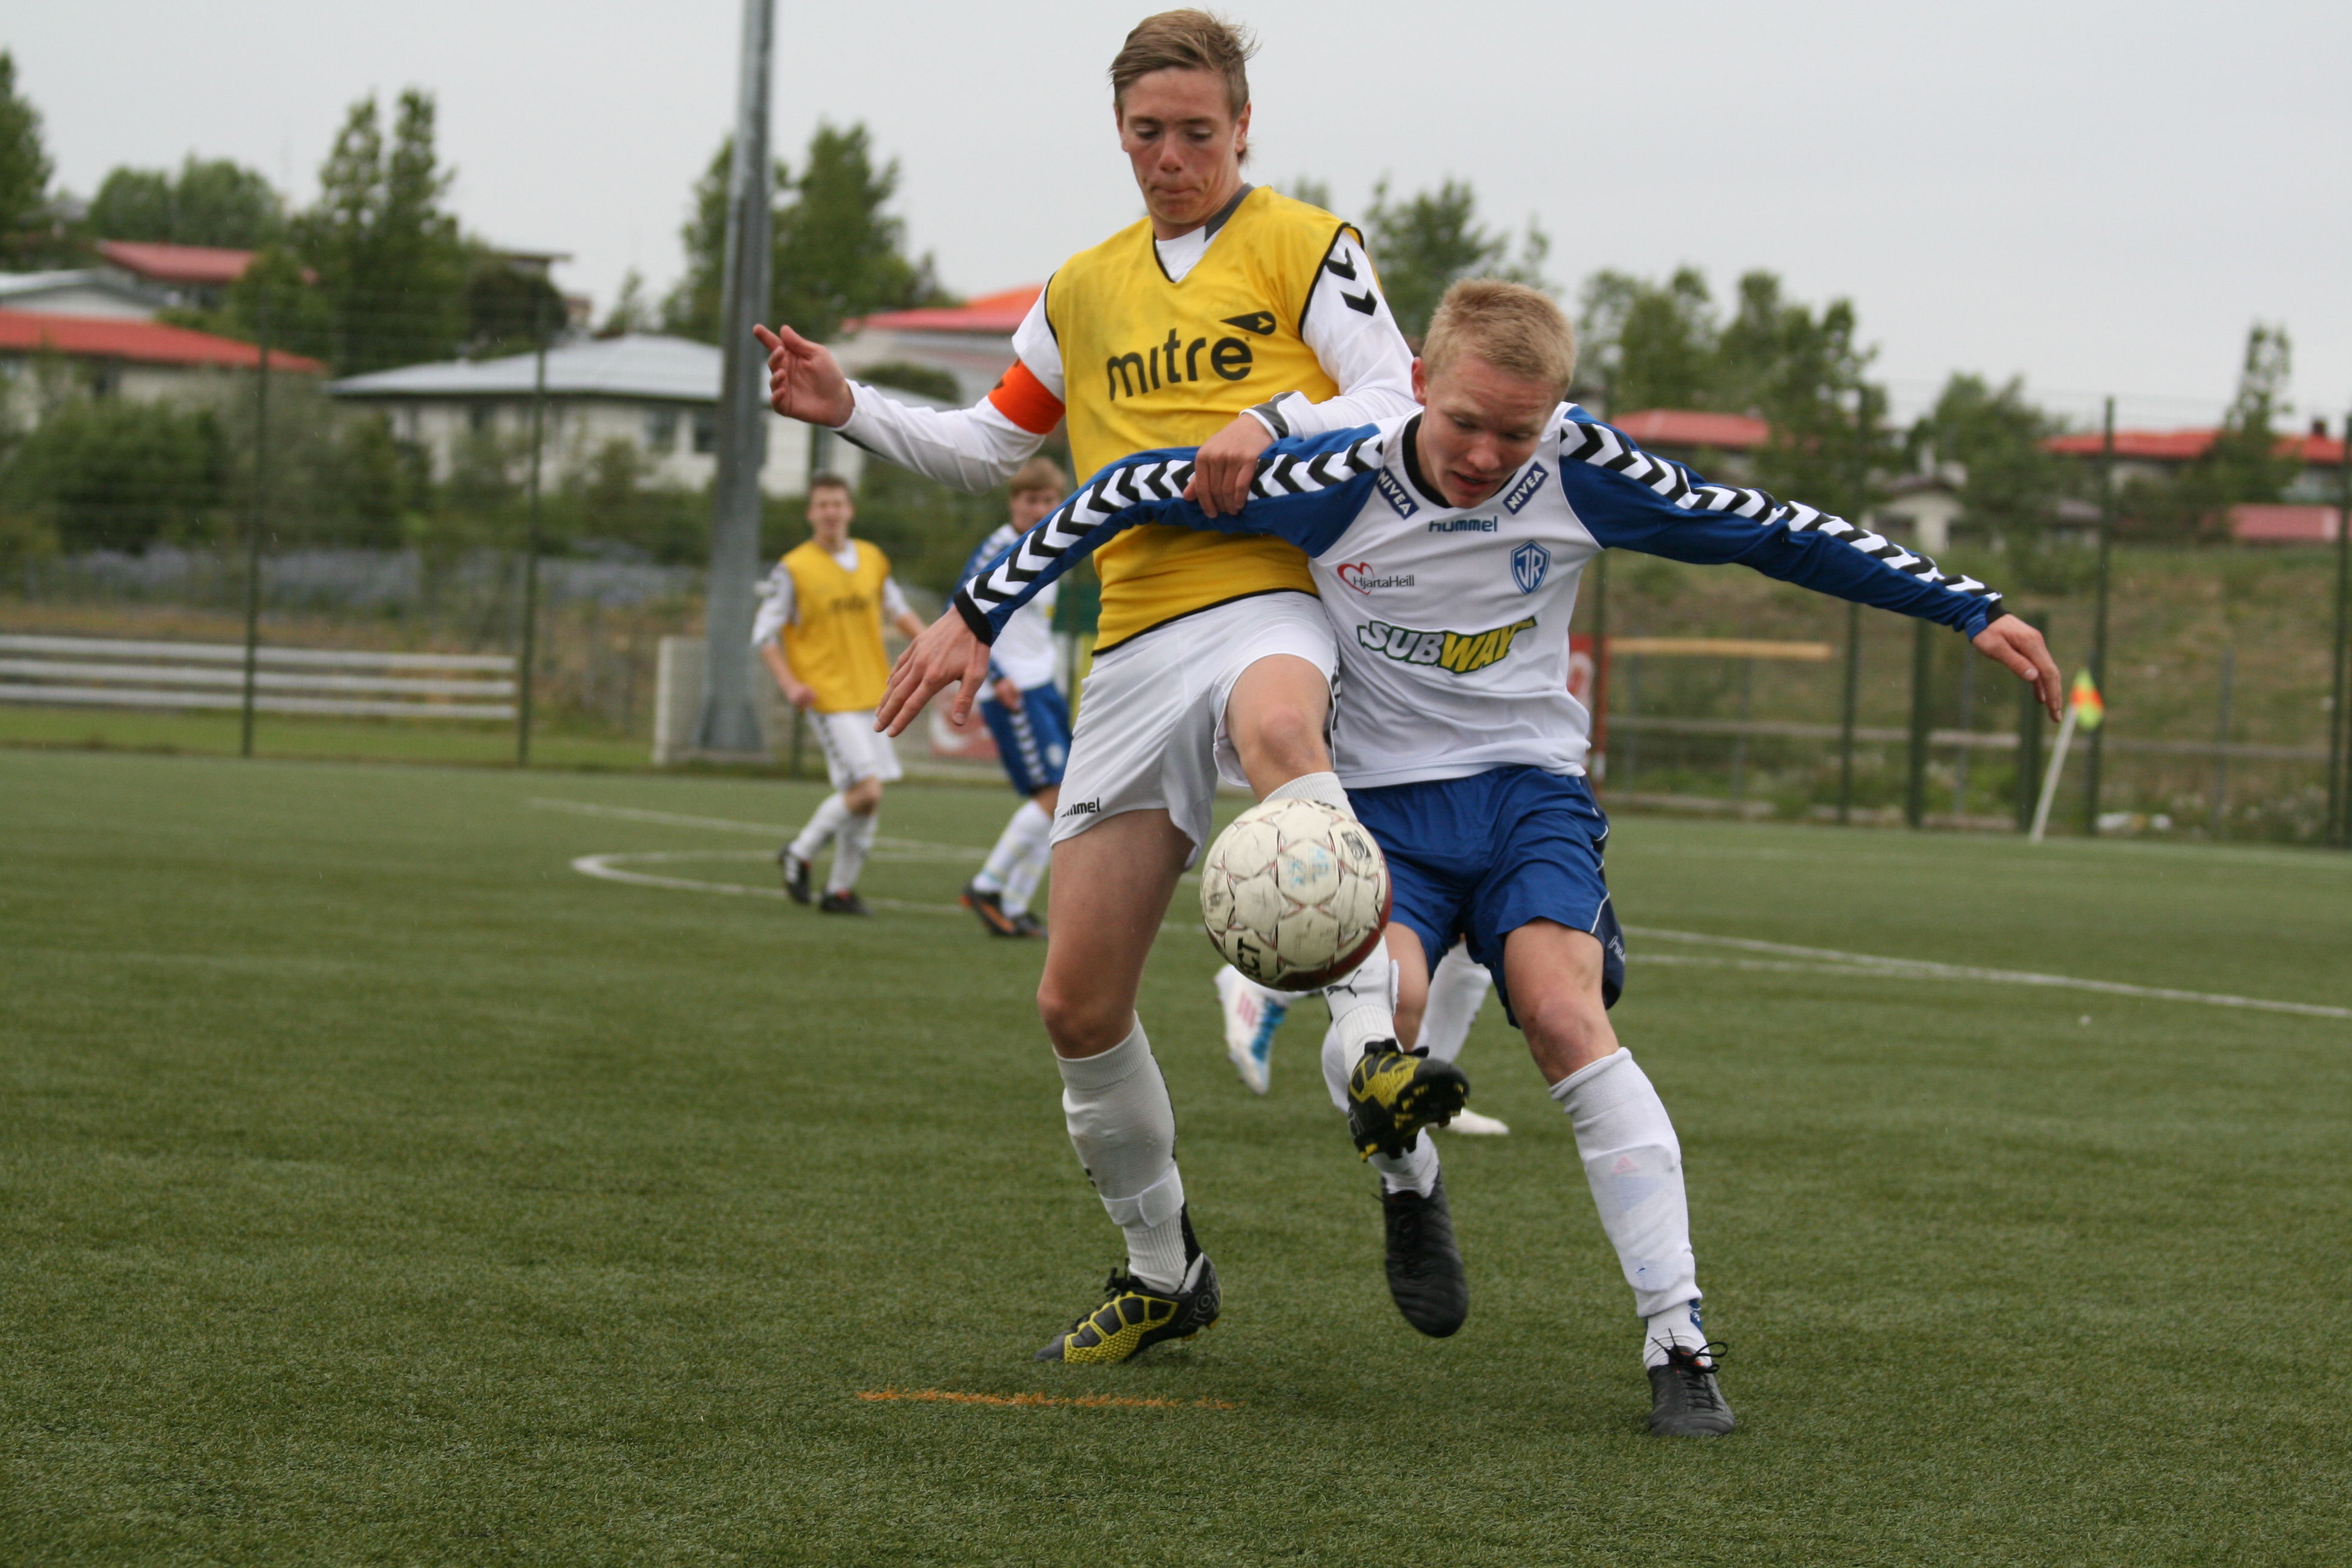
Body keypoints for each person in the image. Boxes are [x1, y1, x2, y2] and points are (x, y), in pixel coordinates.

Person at [903, 279, 2065, 1435]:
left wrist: (1968, 609)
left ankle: (1677, 1338)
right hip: (1381, 814)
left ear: (1554, 412)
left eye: (1516, 432)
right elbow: (1121, 489)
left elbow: (1770, 529)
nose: (1484, 455)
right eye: (1464, 422)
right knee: (1390, 1014)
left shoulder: (1584, 469)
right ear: (1415, 384)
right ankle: (1408, 1182)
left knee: (1563, 1015)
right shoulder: (1334, 478)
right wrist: (977, 612)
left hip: (1526, 796)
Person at [760, 11, 1438, 1364]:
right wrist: (851, 409)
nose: (1171, 157)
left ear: (1242, 128)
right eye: (1147, 134)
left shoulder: (1309, 245)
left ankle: (1377, 1067)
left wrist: (1269, 420)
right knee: (1075, 1003)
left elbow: (1394, 398)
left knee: (1282, 729)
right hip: (1129, 642)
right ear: (1119, 135)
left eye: (1197, 132)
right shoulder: (1080, 287)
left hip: (1269, 593)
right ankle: (1162, 1267)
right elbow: (989, 444)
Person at [756, 472, 927, 916]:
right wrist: (790, 685)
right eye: (822, 505)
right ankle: (800, 851)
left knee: (870, 797)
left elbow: (898, 609)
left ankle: (840, 891)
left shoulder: (872, 558)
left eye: (837, 503)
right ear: (810, 513)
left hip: (874, 692)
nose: (831, 512)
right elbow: (764, 635)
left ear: (850, 510)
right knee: (867, 791)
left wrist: (934, 646)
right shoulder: (794, 568)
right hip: (828, 698)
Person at [959, 458, 1074, 939]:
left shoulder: (1055, 543)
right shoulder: (999, 548)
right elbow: (960, 610)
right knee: (1053, 795)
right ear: (1014, 502)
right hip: (1012, 689)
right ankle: (987, 885)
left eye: (1049, 500)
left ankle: (1014, 904)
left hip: (1043, 683)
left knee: (1066, 797)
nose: (1040, 509)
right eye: (1031, 500)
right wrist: (997, 673)